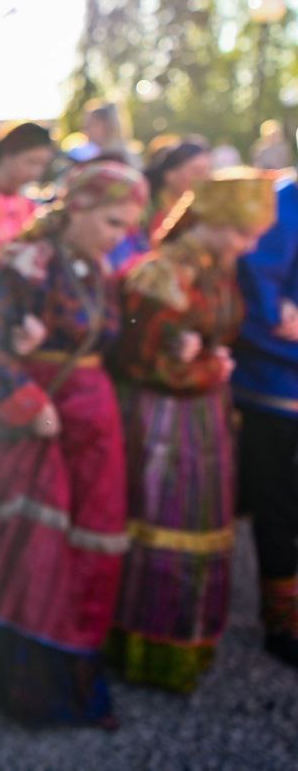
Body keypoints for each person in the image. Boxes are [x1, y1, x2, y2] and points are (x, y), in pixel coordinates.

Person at [0, 162, 148, 727]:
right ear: (75, 207)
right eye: (111, 221)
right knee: (34, 554)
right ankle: (31, 687)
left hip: (90, 428)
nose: (120, 235)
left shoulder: (93, 265)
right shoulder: (18, 265)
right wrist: (26, 400)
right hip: (39, 429)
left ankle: (73, 664)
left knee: (83, 547)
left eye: (127, 225)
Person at [109, 169, 277, 693]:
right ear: (208, 220)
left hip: (205, 416)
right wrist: (205, 365)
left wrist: (208, 357)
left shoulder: (216, 269)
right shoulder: (161, 272)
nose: (247, 247)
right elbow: (134, 358)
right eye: (240, 233)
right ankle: (140, 642)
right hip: (162, 418)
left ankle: (184, 638)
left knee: (199, 521)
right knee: (159, 519)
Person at [231, 176, 298, 669]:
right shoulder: (286, 202)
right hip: (276, 386)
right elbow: (259, 296)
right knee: (278, 508)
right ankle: (283, 619)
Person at [108, 140, 211, 272]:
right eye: (196, 171)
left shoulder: (198, 213)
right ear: (170, 174)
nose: (204, 179)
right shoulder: (141, 209)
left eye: (207, 171)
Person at [0, 122, 56, 256]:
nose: (36, 173)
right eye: (31, 162)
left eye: (42, 165)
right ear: (7, 155)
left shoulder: (32, 208)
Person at [66, 100, 134, 164]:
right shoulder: (87, 158)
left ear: (108, 126)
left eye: (91, 123)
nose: (85, 129)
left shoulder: (118, 160)